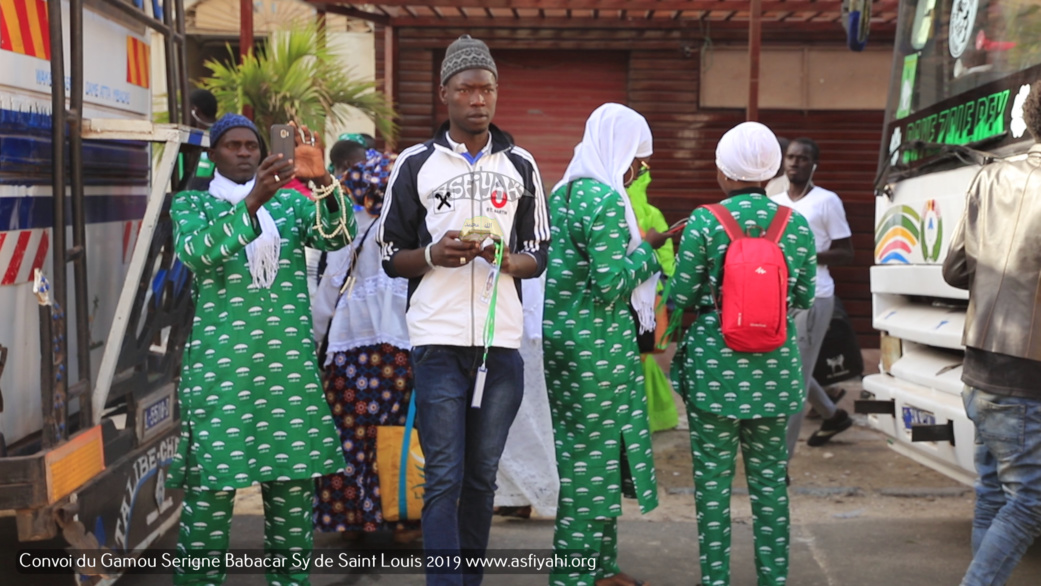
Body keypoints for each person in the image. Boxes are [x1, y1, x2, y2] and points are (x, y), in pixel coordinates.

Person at [376, 34, 550, 586]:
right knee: (445, 474)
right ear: (445, 93)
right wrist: (432, 254)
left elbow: (538, 253)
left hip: (500, 349)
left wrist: (506, 261)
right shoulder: (415, 163)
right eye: (468, 89)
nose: (480, 99)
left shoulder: (521, 164)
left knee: (481, 477)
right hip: (437, 342)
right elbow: (389, 255)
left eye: (488, 89)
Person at [167, 113, 356, 585]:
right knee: (208, 502)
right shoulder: (193, 205)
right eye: (233, 145)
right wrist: (254, 201)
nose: (246, 152)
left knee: (293, 516)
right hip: (221, 378)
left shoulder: (291, 208)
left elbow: (339, 235)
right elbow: (197, 251)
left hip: (288, 380)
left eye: (252, 144)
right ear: (213, 156)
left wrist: (323, 180)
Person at [668, 121, 816, 586]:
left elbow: (684, 296)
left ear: (723, 172)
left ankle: (716, 579)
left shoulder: (704, 221)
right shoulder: (796, 224)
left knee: (712, 487)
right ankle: (773, 579)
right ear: (772, 170)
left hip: (715, 373)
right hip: (775, 371)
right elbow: (806, 295)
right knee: (770, 484)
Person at [543, 103, 668, 586]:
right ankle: (575, 576)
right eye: (638, 157)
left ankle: (602, 568)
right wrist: (651, 250)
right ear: (619, 152)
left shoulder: (565, 192)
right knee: (591, 469)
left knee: (595, 458)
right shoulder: (604, 200)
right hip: (596, 347)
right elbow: (611, 283)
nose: (640, 168)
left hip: (569, 342)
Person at [942, 81, 1041, 586]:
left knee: (992, 492)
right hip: (1027, 377)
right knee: (1031, 501)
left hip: (977, 366)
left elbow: (955, 270)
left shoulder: (990, 177)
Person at [310, 150, 422, 544]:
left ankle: (355, 521)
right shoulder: (414, 226)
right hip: (401, 347)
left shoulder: (351, 226)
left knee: (351, 435)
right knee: (399, 433)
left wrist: (315, 340)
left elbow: (329, 288)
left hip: (350, 348)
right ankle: (401, 517)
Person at [770, 137, 855, 453]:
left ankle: (781, 458)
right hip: (781, 298)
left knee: (794, 378)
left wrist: (808, 255)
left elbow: (846, 253)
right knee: (790, 367)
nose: (794, 163)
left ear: (813, 165)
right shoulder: (776, 202)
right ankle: (832, 416)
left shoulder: (826, 201)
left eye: (802, 158)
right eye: (790, 157)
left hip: (815, 296)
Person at [493, 276, 560, 520]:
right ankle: (514, 496)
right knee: (509, 418)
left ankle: (544, 490)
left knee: (532, 414)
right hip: (502, 316)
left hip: (532, 322)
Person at [626, 166, 680, 433]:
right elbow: (667, 261)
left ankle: (644, 417)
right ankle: (653, 416)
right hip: (650, 296)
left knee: (639, 357)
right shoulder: (650, 213)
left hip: (640, 296)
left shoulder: (618, 206)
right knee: (644, 357)